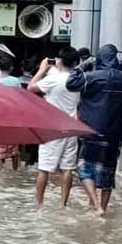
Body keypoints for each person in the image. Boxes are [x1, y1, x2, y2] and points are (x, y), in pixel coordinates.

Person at [66, 44, 122, 216]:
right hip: (114, 133)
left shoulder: (91, 77)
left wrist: (82, 66)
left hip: (90, 130)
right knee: (108, 171)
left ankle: (95, 204)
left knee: (84, 168)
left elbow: (71, 83)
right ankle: (103, 208)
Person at [29, 49, 82, 208]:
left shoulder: (54, 79)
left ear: (59, 61)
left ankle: (39, 205)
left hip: (52, 128)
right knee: (67, 168)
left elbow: (31, 88)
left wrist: (41, 69)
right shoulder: (78, 80)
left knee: (44, 168)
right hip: (71, 127)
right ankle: (63, 204)